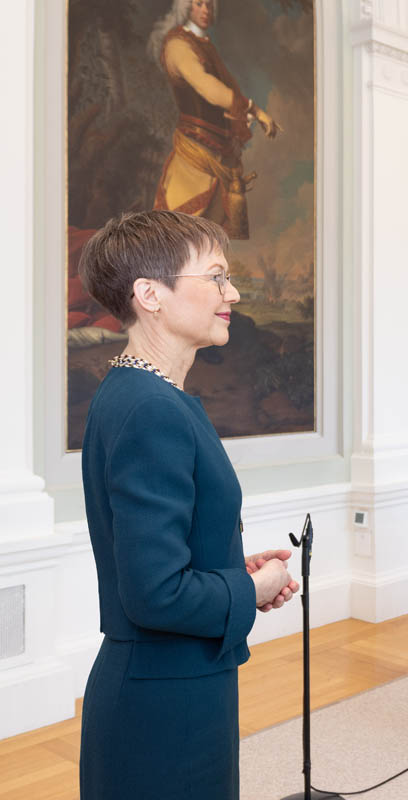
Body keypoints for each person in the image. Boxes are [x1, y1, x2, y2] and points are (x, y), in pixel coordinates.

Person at [76, 210, 298, 799]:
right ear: (150, 294)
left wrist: (233, 572)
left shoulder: (144, 395)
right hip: (163, 701)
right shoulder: (151, 407)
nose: (235, 292)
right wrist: (252, 587)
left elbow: (168, 556)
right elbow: (154, 593)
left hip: (176, 682)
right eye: (218, 277)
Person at [150, 0, 282, 239]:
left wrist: (243, 114)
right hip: (196, 153)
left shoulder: (205, 46)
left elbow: (226, 90)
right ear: (185, 6)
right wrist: (255, 109)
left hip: (221, 153)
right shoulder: (177, 45)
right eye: (199, 4)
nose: (205, 10)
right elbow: (207, 88)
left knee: (209, 240)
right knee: (178, 236)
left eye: (209, 4)